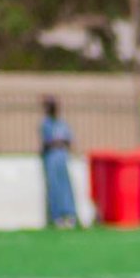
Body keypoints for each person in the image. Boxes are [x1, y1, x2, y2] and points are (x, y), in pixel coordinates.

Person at [40, 97, 77, 228]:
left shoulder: (62, 123)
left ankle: (70, 215)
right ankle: (57, 217)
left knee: (66, 187)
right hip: (51, 160)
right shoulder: (45, 124)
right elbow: (47, 142)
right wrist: (57, 142)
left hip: (62, 159)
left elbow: (68, 140)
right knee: (54, 188)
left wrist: (58, 142)